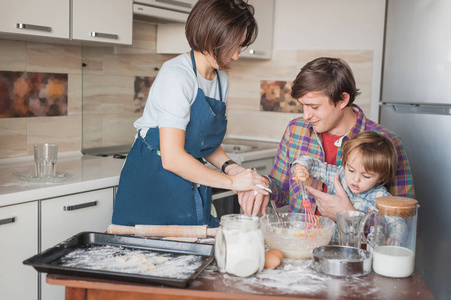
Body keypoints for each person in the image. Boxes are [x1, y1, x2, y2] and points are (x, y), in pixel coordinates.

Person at [112, 0, 270, 228]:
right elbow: (173, 158)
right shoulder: (177, 75)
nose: (236, 55)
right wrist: (233, 182)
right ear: (211, 35)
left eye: (241, 45)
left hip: (191, 180)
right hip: (152, 184)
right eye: (233, 45)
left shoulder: (220, 81)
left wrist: (231, 167)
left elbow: (203, 141)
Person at [241, 57, 415, 221]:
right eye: (303, 105)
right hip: (302, 246)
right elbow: (282, 190)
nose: (306, 115)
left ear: (342, 100)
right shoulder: (296, 130)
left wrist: (349, 215)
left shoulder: (388, 142)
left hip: (354, 252)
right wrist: (262, 186)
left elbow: (404, 223)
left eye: (314, 107)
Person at [293, 131, 407, 244]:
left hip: (358, 251)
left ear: (381, 178)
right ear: (345, 163)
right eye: (351, 170)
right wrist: (301, 167)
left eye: (366, 176)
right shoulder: (339, 175)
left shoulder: (380, 197)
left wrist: (395, 237)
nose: (356, 179)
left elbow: (398, 223)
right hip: (330, 245)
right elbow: (313, 165)